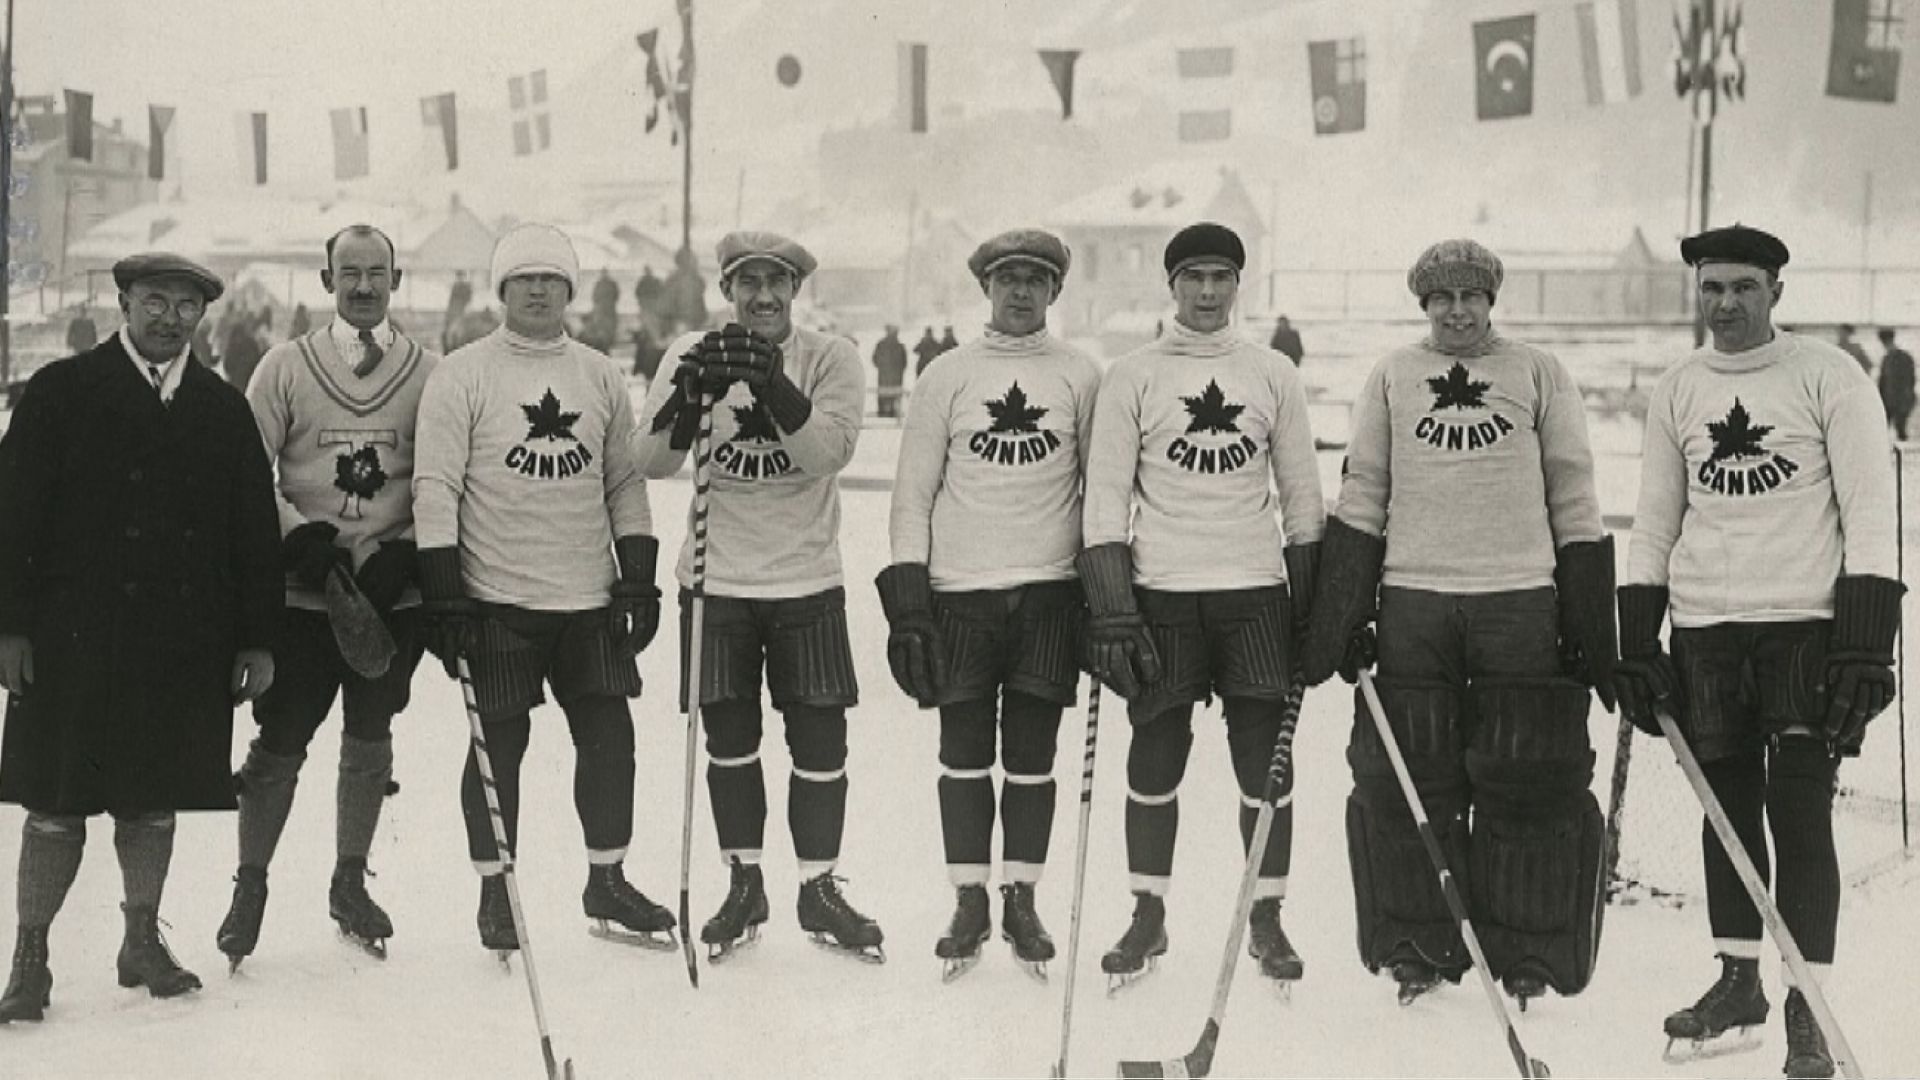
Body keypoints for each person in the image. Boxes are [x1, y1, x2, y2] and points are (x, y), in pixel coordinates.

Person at [1611, 225, 1900, 1080]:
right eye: (1711, 288)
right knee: (1725, 806)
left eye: (1743, 287)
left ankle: (1806, 1004)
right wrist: (1639, 638)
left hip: (1805, 626)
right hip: (1707, 629)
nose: (1726, 304)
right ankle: (1739, 981)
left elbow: (1871, 512)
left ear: (1776, 289)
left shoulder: (1827, 376)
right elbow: (1656, 518)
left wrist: (1864, 645)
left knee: (1800, 809)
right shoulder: (1679, 387)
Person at [1301, 238, 1617, 1009]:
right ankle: (1419, 942)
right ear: (1423, 307)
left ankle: (1527, 948)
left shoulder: (1538, 372)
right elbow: (1364, 490)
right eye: (1441, 299)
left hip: (1518, 598)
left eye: (1470, 297)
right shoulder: (1393, 376)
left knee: (1526, 775)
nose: (1456, 311)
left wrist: (1587, 620)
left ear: (1491, 301)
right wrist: (1342, 610)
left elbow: (1573, 494)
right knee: (1411, 776)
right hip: (1414, 599)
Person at [0, 253, 281, 1021]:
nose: (169, 318)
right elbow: (12, 518)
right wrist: (10, 627)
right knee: (55, 805)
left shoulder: (223, 411)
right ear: (123, 302)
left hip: (181, 646)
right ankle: (30, 958)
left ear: (204, 316)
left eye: (185, 306)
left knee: (152, 800)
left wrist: (257, 640)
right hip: (70, 641)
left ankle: (139, 942)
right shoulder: (61, 394)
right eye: (154, 301)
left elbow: (254, 534)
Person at [412, 223, 674, 955]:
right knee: (500, 746)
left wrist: (640, 581)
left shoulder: (595, 374)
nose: (537, 290)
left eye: (551, 279)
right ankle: (497, 891)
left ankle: (607, 877)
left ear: (570, 289)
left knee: (610, 738)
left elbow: (623, 480)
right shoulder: (463, 374)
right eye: (522, 279)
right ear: (501, 290)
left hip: (586, 598)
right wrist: (444, 593)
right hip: (498, 598)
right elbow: (436, 488)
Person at [1080, 223, 1325, 990]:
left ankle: (1267, 915)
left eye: (1221, 276)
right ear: (1173, 285)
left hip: (1254, 594)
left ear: (1238, 284)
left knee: (1265, 767)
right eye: (1194, 277)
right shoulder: (1134, 375)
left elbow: (1303, 496)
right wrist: (1113, 607)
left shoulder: (1271, 372)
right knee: (1154, 760)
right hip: (1162, 596)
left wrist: (1314, 605)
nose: (1208, 292)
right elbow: (1105, 499)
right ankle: (1147, 912)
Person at [632, 230, 883, 962]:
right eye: (749, 283)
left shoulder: (831, 358)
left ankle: (818, 886)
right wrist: (686, 395)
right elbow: (649, 461)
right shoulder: (690, 351)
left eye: (777, 282)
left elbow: (828, 453)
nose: (763, 296)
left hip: (805, 577)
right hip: (717, 579)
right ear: (727, 292)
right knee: (730, 741)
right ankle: (745, 881)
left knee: (819, 741)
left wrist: (771, 384)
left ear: (796, 292)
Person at [213, 225, 440, 969]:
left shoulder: (430, 372)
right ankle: (250, 885)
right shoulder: (285, 367)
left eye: (378, 273)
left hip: (386, 597)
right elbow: (247, 473)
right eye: (351, 273)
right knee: (280, 742)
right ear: (326, 280)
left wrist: (403, 550)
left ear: (397, 280)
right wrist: (296, 538)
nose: (365, 287)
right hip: (305, 593)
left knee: (371, 737)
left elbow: (441, 476)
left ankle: (349, 880)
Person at [877, 230, 1100, 978]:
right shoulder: (947, 375)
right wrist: (909, 604)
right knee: (965, 757)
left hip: (1047, 594)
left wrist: (1109, 600)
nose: (1020, 292)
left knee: (1032, 760)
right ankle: (969, 896)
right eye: (1007, 278)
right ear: (985, 288)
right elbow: (912, 495)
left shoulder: (1079, 375)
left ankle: (1022, 896)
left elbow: (1100, 494)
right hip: (959, 597)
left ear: (1054, 292)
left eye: (1036, 279)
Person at [1878, 327, 1914, 441]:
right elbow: (1912, 379)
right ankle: (1902, 456)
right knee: (1900, 430)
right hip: (1902, 400)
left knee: (1887, 429)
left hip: (1892, 400)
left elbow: (1882, 383)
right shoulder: (1905, 357)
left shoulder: (1887, 359)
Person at [224, 309, 267, 393]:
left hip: (236, 383)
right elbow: (257, 362)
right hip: (247, 382)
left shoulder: (233, 344)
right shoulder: (251, 343)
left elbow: (227, 365)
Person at [871, 325, 908, 418]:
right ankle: (893, 411)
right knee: (895, 394)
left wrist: (882, 367)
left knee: (884, 393)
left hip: (884, 375)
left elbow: (875, 359)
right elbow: (904, 362)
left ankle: (883, 411)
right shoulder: (900, 346)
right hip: (896, 376)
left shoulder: (880, 344)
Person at [443, 271, 473, 353]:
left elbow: (469, 300)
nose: (460, 279)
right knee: (447, 331)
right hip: (454, 311)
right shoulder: (455, 286)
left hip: (462, 311)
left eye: (461, 276)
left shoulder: (467, 286)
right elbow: (451, 301)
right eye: (459, 277)